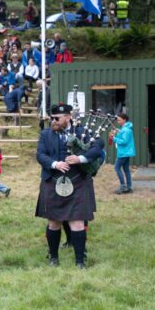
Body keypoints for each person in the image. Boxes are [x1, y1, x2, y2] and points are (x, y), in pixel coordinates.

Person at [35, 103, 104, 268]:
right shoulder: (46, 134)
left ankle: (80, 261)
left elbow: (98, 146)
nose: (54, 121)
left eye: (58, 118)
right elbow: (40, 155)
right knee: (54, 222)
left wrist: (81, 159)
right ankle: (53, 258)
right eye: (52, 118)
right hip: (52, 180)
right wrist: (54, 164)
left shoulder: (83, 131)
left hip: (78, 180)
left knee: (78, 223)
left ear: (68, 117)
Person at [112, 113, 135, 194]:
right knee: (126, 170)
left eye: (119, 120)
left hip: (123, 153)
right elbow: (123, 135)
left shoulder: (125, 130)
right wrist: (119, 131)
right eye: (117, 120)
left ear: (124, 120)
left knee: (117, 168)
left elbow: (124, 141)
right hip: (126, 152)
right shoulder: (126, 128)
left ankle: (123, 187)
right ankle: (129, 187)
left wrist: (114, 138)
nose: (118, 121)